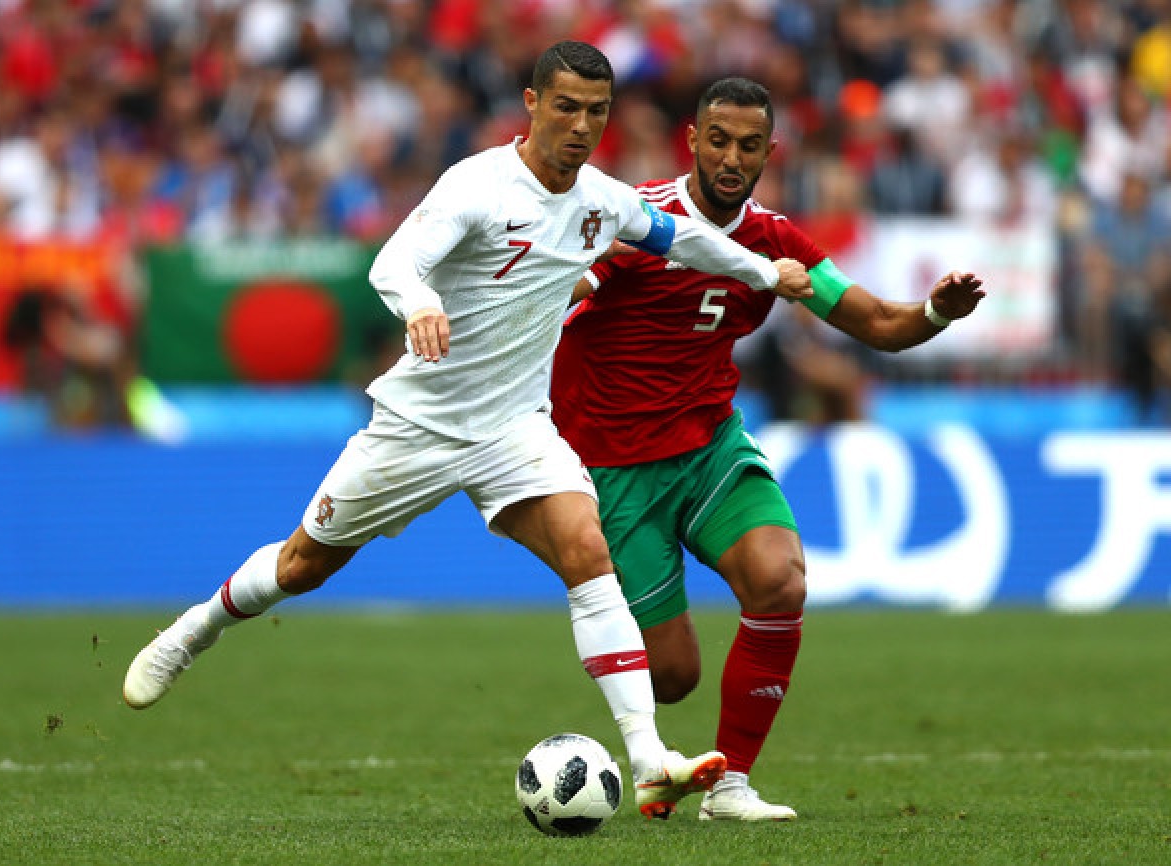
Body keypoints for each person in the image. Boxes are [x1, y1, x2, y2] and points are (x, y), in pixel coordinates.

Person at [121, 43, 815, 820]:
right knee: (301, 565)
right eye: (566, 107)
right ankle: (194, 630)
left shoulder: (603, 200)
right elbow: (393, 263)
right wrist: (420, 303)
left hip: (517, 429)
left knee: (587, 552)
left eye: (596, 112)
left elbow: (679, 238)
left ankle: (650, 760)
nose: (580, 126)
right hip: (419, 426)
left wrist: (764, 272)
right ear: (532, 103)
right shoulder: (478, 185)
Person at [550, 76, 985, 822]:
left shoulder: (776, 242)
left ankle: (730, 787)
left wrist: (936, 312)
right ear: (693, 139)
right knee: (673, 676)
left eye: (749, 146)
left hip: (709, 447)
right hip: (616, 467)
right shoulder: (636, 223)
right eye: (719, 140)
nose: (731, 158)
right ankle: (636, 715)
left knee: (780, 582)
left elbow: (879, 324)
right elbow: (549, 297)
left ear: (769, 151)